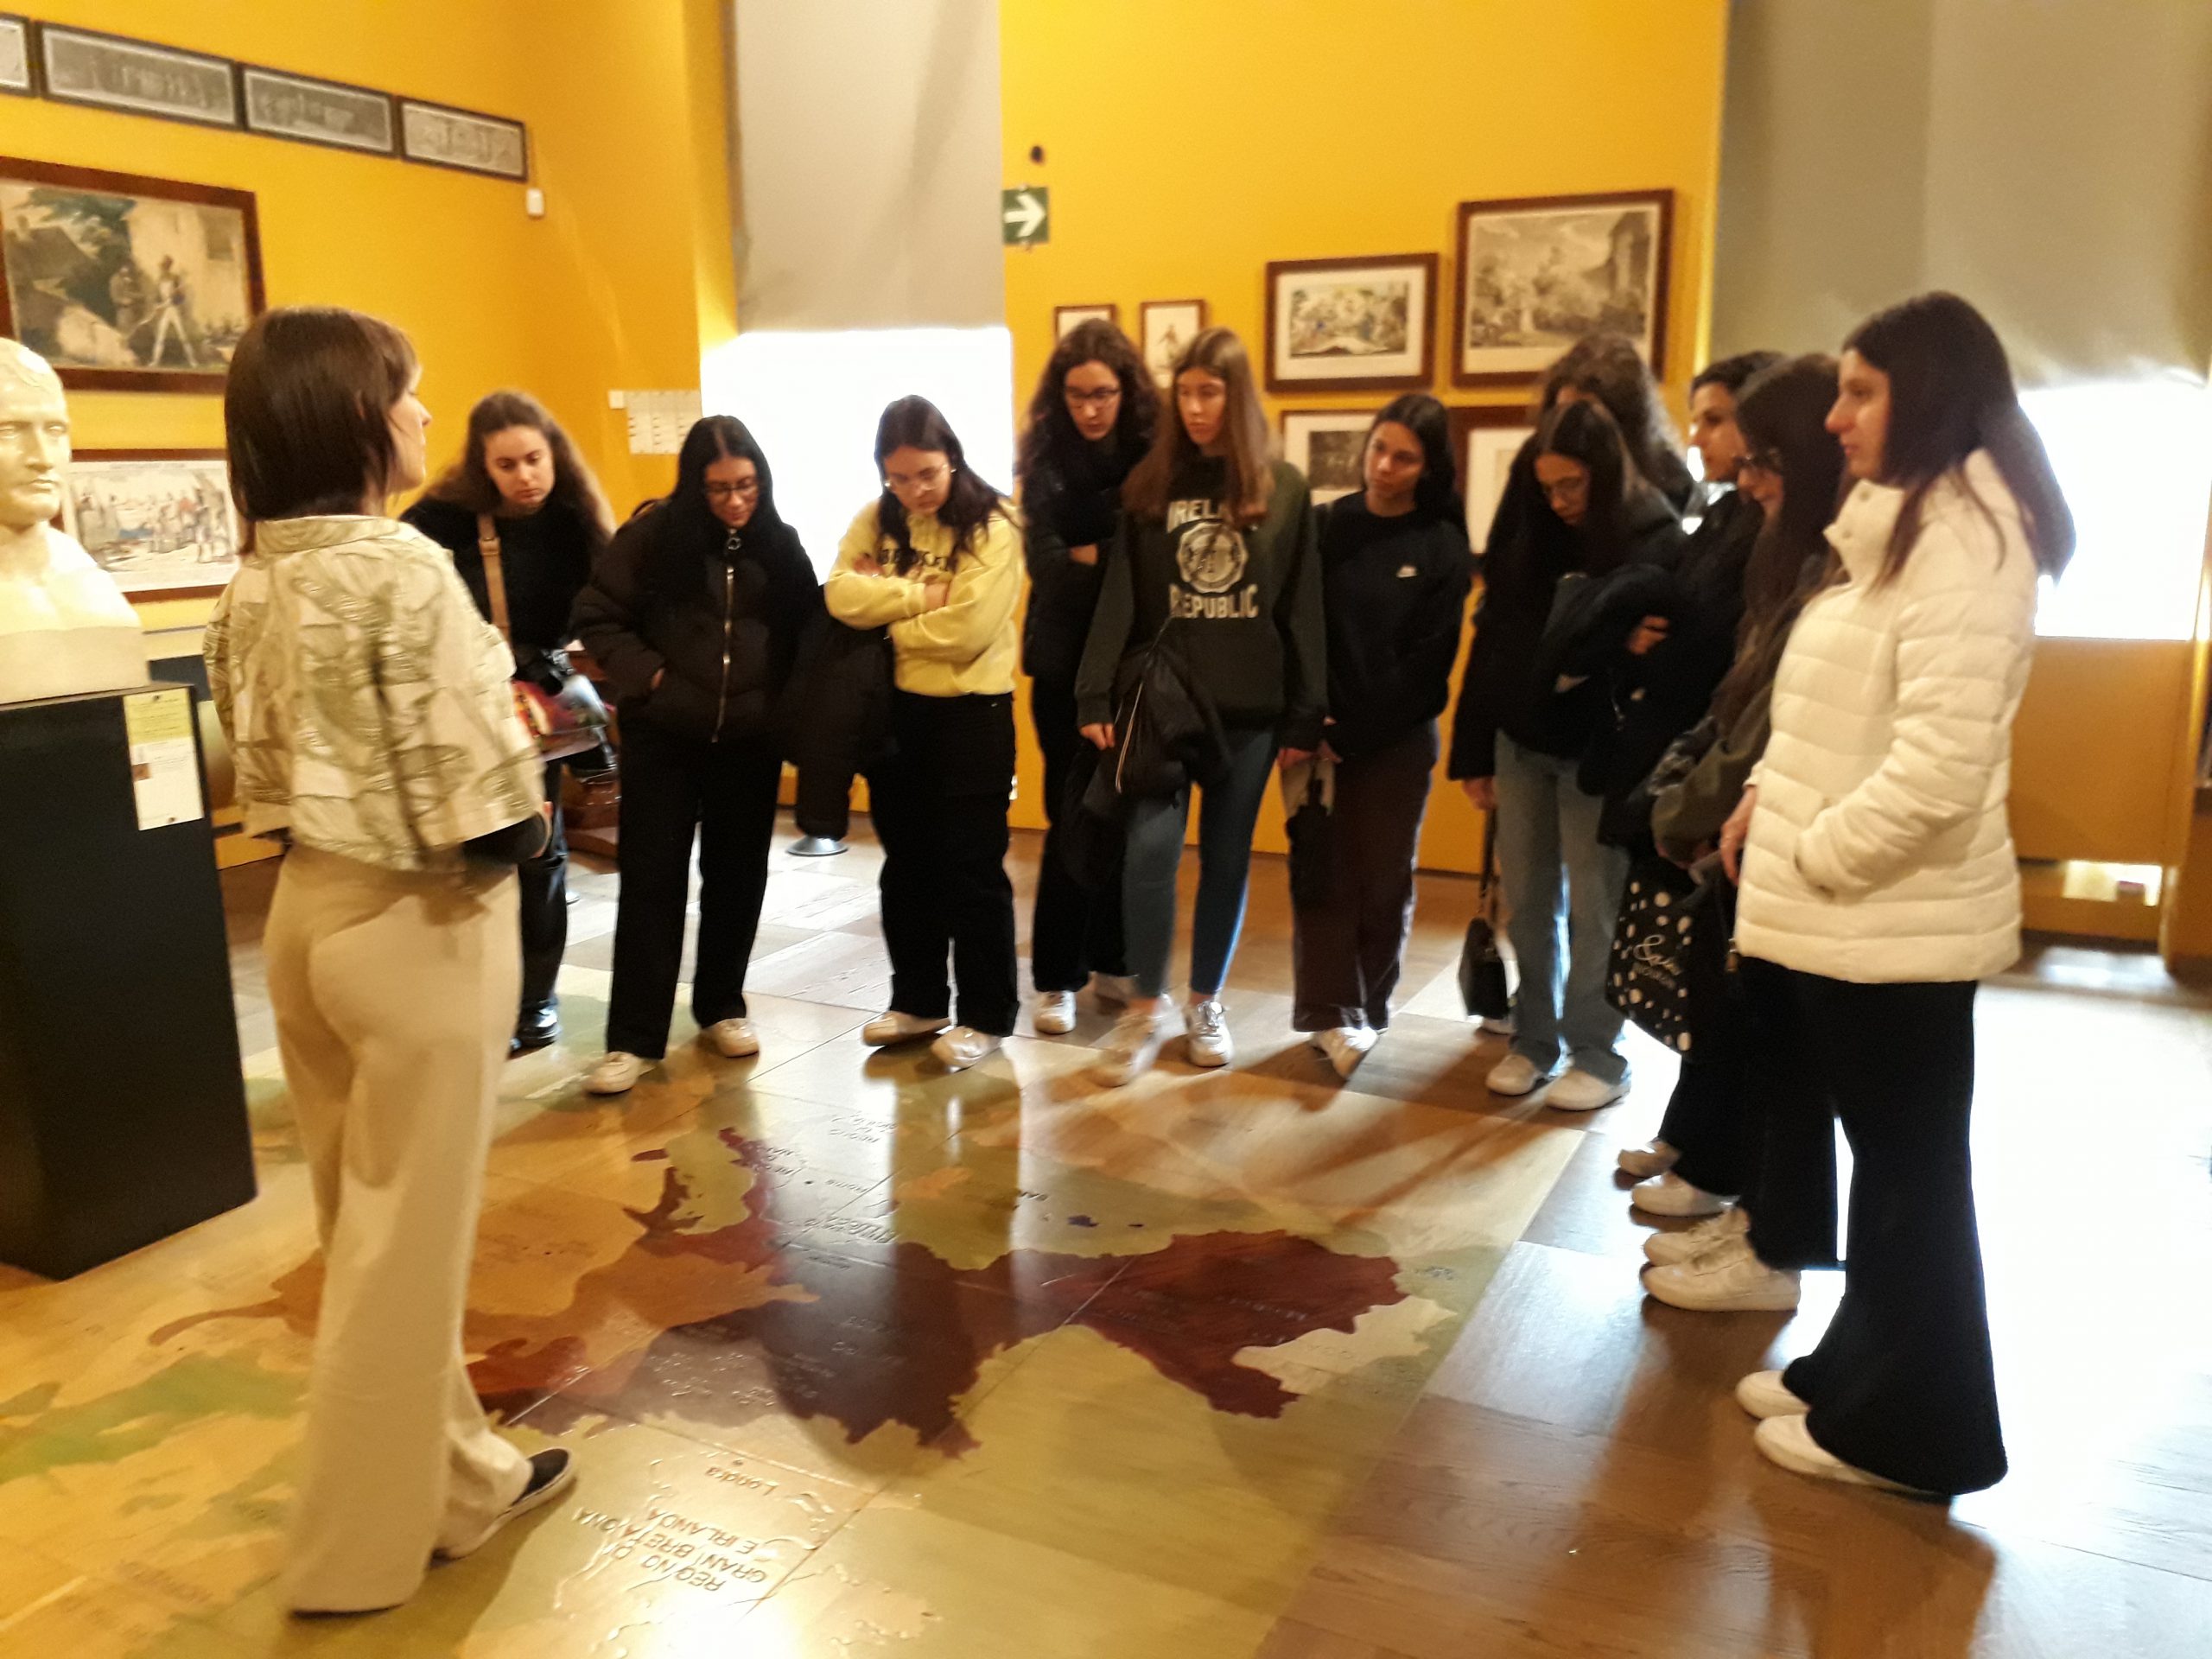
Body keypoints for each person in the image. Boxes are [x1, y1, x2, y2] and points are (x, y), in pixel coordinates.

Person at [205, 307, 570, 1614]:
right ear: (355, 415)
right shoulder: (402, 566)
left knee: (366, 1234)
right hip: (421, 925)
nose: (424, 414)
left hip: (305, 914)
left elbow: (245, 765)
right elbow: (483, 797)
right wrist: (535, 784)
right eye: (408, 392)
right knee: (399, 1261)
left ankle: (462, 1482)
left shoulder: (254, 575)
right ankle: (349, 1557)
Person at [1722, 292, 2072, 1497]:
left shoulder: (1968, 546)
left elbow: (1937, 772)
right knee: (1890, 1175)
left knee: (1915, 1187)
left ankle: (1918, 1433)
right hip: (1858, 921)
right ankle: (1857, 1374)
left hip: (1889, 921)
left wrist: (1817, 852)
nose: (1836, 417)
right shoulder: (1909, 528)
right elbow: (1838, 710)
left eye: (1861, 392)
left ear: (1926, 396)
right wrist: (1763, 796)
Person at [1623, 358, 1848, 1295]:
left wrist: (1700, 799)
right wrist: (1690, 784)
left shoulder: (1840, 565)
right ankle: (1755, 1221)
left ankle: (1772, 1247)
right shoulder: (1781, 549)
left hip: (1803, 843)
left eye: (1762, 458)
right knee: (1749, 1031)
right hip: (1753, 820)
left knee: (1782, 1054)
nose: (1746, 476)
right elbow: (1741, 699)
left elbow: (1784, 722)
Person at [1076, 326, 1325, 1085]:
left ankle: (1205, 1001)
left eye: (1209, 392)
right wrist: (1093, 689)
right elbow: (1119, 597)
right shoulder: (1151, 488)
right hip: (1165, 709)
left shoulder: (1283, 489)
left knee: (1226, 859)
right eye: (1184, 392)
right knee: (1149, 853)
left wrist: (1306, 711)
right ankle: (1143, 1008)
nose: (1194, 408)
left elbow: (1301, 605)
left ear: (1236, 396)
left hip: (1249, 711)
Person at [571, 416, 818, 1096]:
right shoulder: (652, 538)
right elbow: (598, 615)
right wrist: (652, 679)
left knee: (737, 879)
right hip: (665, 738)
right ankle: (633, 1039)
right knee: (652, 881)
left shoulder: (779, 543)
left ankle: (722, 1006)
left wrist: (778, 705)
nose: (736, 501)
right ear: (694, 486)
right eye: (719, 489)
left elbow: (807, 631)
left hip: (749, 742)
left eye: (747, 485)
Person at [1459, 396, 1683, 1109]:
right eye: (1547, 486)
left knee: (1597, 906)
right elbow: (1495, 641)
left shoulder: (1653, 536)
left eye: (1573, 485)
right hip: (1520, 740)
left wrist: (1612, 645)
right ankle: (1533, 1040)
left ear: (1605, 473)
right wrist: (1472, 753)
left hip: (1598, 749)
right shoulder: (1531, 534)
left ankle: (1598, 1053)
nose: (1559, 501)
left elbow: (1664, 648)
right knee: (1529, 904)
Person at [405, 391, 615, 1055]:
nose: (525, 476)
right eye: (506, 464)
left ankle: (534, 1001)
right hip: (464, 702)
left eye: (534, 459)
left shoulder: (575, 519)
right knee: (470, 852)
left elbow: (610, 603)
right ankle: (475, 993)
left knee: (539, 852)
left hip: (536, 703)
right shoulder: (439, 520)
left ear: (554, 454)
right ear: (482, 466)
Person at [826, 396, 1024, 1072]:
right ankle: (918, 1001)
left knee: (972, 868)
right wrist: (924, 598)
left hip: (972, 713)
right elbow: (839, 595)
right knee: (906, 865)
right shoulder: (875, 518)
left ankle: (986, 1015)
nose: (915, 491)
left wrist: (886, 619)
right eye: (900, 478)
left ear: (953, 460)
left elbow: (970, 628)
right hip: (895, 714)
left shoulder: (994, 524)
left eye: (928, 475)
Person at [1292, 394, 1472, 1075]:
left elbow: (1428, 668)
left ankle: (1365, 1012)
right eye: (1378, 449)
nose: (1385, 467)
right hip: (1316, 734)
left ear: (1429, 468)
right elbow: (1299, 630)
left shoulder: (1441, 544)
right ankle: (1326, 1014)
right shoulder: (1325, 526)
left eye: (1404, 458)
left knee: (1382, 881)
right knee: (1321, 876)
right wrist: (1312, 721)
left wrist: (1351, 734)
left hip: (1395, 741)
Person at [1016, 319, 1156, 1033]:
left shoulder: (1152, 453)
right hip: (1063, 664)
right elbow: (1049, 573)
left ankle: (1113, 957)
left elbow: (1155, 566)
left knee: (1126, 814)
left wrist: (1095, 555)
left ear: (1126, 391)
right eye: (1077, 395)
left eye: (1103, 394)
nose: (1091, 409)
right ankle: (1056, 977)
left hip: (1136, 662)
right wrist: (1118, 558)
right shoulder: (1045, 460)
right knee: (1070, 815)